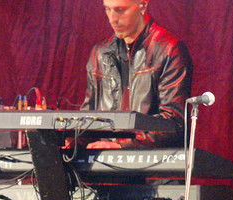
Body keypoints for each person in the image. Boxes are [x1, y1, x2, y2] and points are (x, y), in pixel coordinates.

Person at [81, 0, 192, 149]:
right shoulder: (100, 53)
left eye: (120, 10)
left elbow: (173, 123)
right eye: (107, 10)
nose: (112, 19)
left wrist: (122, 145)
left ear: (143, 5)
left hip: (151, 165)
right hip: (105, 161)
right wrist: (68, 143)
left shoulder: (170, 50)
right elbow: (88, 118)